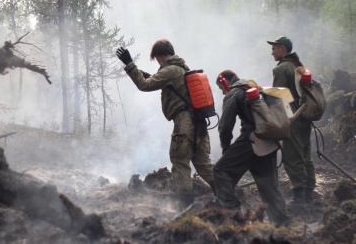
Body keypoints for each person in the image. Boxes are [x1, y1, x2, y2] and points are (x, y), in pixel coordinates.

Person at [116, 39, 214, 205]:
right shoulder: (181, 68)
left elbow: (145, 85)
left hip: (185, 123)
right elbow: (156, 79)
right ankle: (229, 195)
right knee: (204, 166)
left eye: (157, 58)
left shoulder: (170, 70)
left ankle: (184, 206)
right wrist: (138, 70)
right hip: (198, 123)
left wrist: (130, 64)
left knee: (180, 161)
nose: (157, 62)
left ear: (162, 55)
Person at [212, 70, 289, 225]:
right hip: (268, 142)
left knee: (220, 171)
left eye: (221, 88)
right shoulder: (255, 88)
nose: (222, 92)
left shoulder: (234, 93)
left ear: (224, 82)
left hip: (250, 140)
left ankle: (234, 216)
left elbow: (225, 126)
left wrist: (226, 149)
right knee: (269, 188)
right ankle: (282, 224)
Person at [268, 36, 315, 204]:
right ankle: (309, 192)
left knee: (292, 156)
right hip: (305, 116)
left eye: (274, 48)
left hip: (292, 118)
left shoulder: (281, 69)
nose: (272, 51)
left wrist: (273, 119)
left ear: (282, 49)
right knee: (305, 154)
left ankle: (299, 197)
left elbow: (278, 96)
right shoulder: (298, 65)